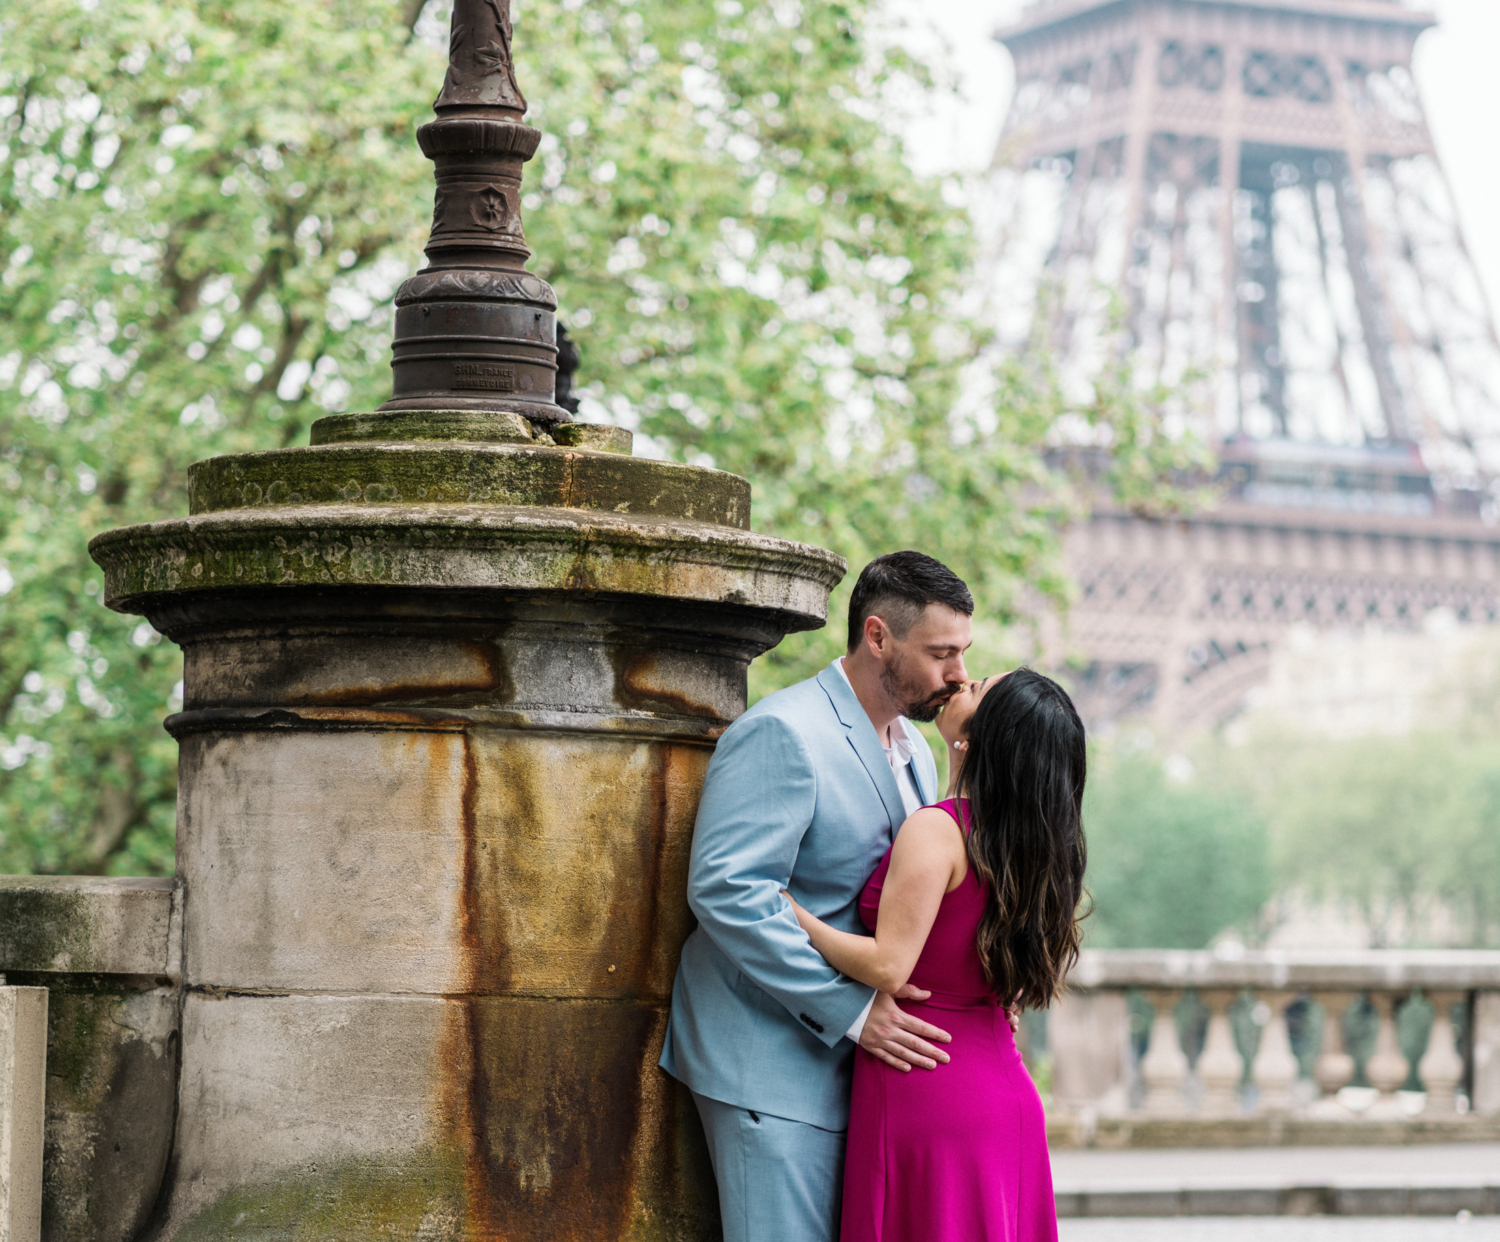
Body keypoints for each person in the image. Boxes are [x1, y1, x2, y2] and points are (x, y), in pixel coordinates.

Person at [659, 551, 975, 1242]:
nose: (957, 675)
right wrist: (851, 1010)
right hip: (768, 1067)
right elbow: (728, 889)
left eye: (963, 654)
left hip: (858, 1077)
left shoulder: (918, 752)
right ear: (878, 636)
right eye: (941, 654)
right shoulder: (785, 732)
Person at [786, 668, 1086, 1241]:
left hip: (925, 1080)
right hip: (999, 1088)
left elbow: (888, 966)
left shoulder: (938, 831)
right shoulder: (1030, 844)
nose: (959, 684)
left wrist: (790, 912)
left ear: (975, 740)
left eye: (974, 691)